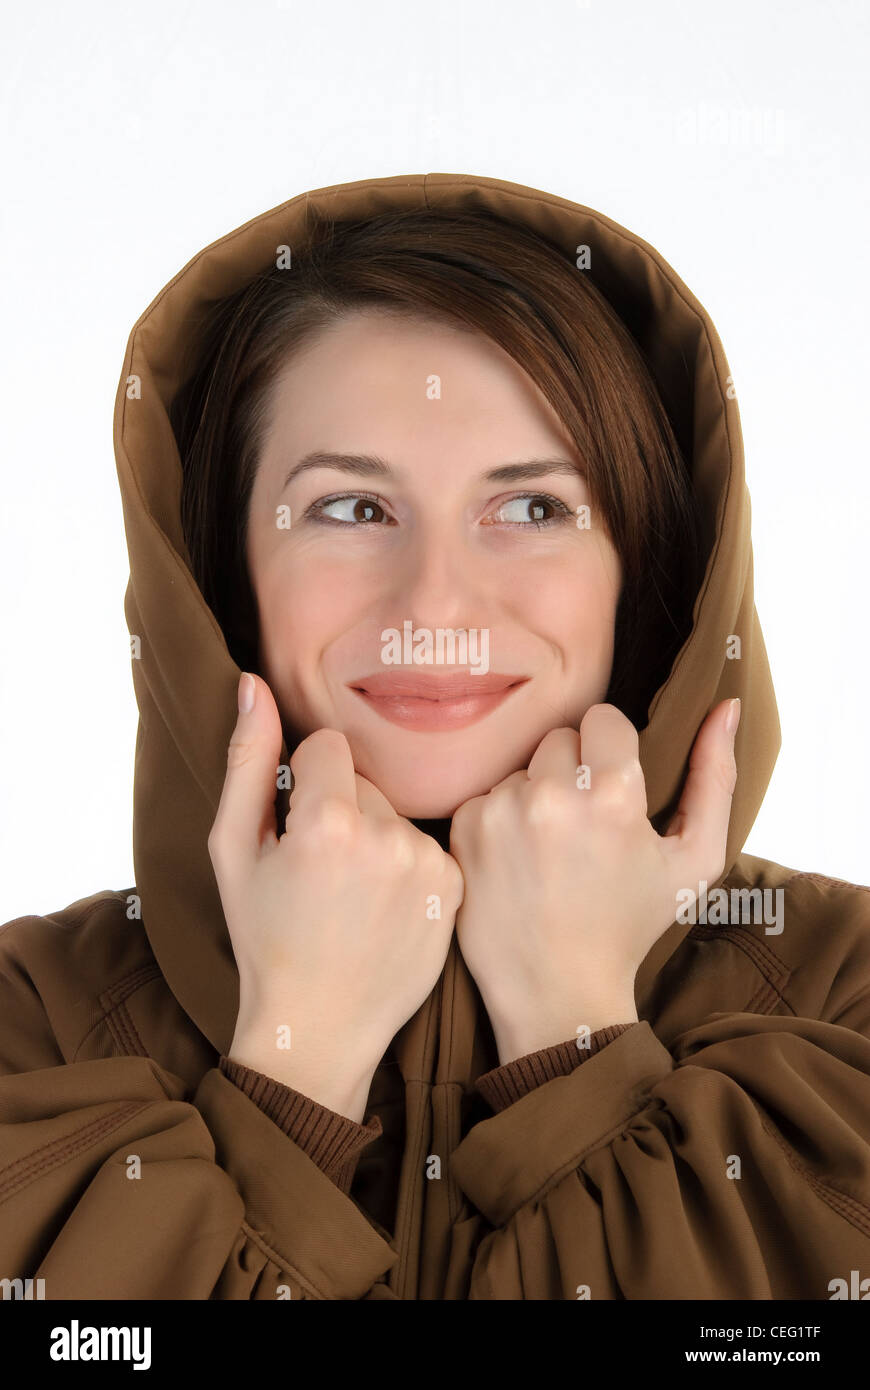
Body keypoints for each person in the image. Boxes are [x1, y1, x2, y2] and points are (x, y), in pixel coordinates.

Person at [1, 171, 868, 1301]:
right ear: (220, 580)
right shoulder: (32, 1027)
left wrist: (580, 1046)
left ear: (646, 572)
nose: (438, 607)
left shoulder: (845, 995)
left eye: (532, 508)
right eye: (353, 510)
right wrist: (287, 1084)